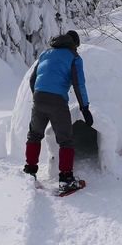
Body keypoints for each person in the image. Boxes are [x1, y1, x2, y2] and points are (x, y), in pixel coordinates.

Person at [23, 30, 94, 193]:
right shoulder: (74, 57)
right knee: (65, 139)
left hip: (39, 98)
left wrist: (39, 96)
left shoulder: (45, 53)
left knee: (34, 135)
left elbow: (33, 79)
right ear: (75, 44)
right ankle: (66, 179)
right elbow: (79, 84)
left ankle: (30, 172)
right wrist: (85, 108)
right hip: (57, 101)